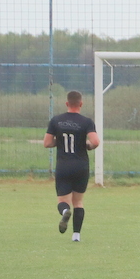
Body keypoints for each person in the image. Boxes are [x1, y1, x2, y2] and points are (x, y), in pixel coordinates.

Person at [43, 90, 100, 241]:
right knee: (78, 202)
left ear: (67, 103)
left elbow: (47, 143)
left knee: (63, 201)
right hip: (81, 166)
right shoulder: (86, 122)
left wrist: (60, 142)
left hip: (63, 166)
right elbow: (95, 142)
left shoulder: (56, 120)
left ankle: (65, 212)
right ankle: (76, 235)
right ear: (81, 104)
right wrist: (87, 145)